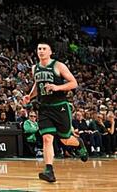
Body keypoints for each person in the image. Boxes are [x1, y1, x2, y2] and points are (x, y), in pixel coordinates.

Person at [22, 42, 88, 183]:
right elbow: (37, 84)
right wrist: (30, 96)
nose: (41, 51)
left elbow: (73, 83)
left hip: (60, 107)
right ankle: (49, 171)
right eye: (39, 49)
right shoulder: (35, 68)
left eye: (44, 49)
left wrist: (57, 87)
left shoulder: (58, 66)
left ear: (50, 52)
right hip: (44, 108)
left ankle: (79, 143)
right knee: (47, 138)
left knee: (65, 139)